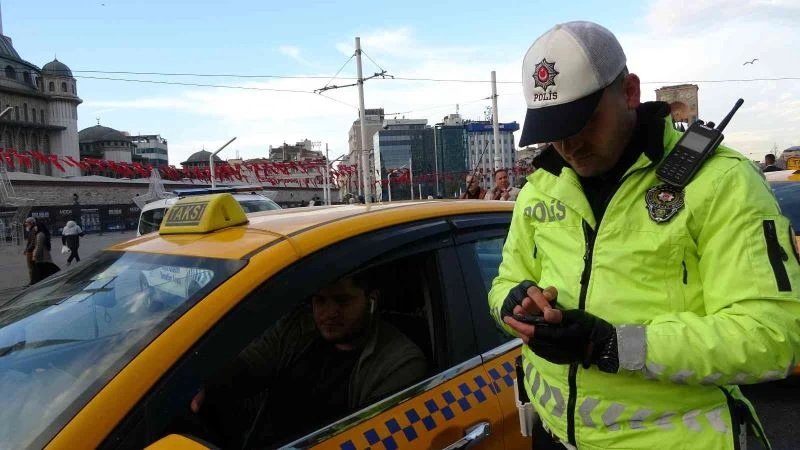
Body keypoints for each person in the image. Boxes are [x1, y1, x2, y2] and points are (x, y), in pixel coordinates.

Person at [488, 21, 800, 450]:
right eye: (554, 130)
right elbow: (505, 281)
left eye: (583, 122)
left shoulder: (721, 181)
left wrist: (612, 345)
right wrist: (513, 302)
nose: (569, 145)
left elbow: (773, 334)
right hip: (553, 438)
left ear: (630, 93)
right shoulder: (542, 186)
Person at [190, 273, 428, 447]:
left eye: (342, 301)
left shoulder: (398, 361)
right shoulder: (298, 329)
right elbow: (250, 364)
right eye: (320, 300)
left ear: (371, 299)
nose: (328, 313)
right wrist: (204, 386)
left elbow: (370, 436)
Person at [31, 219, 59, 284]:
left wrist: (35, 256)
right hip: (45, 256)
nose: (34, 227)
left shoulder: (40, 235)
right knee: (47, 271)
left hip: (42, 257)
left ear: (38, 226)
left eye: (35, 226)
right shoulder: (43, 233)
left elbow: (39, 247)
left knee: (42, 272)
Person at [22, 217, 36, 286]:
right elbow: (29, 242)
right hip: (30, 251)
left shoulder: (33, 230)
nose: (26, 225)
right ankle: (33, 281)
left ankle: (32, 282)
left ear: (31, 223)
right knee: (32, 268)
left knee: (31, 268)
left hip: (31, 252)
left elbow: (32, 242)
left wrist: (27, 250)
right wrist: (26, 249)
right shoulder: (31, 230)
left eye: (27, 223)